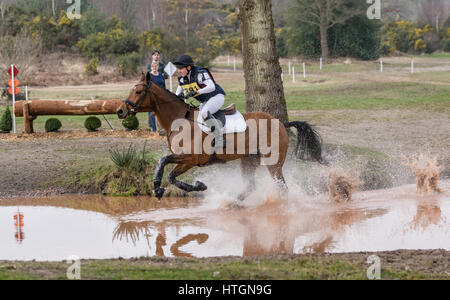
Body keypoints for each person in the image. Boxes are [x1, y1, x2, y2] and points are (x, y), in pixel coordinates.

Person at [173, 54, 226, 150]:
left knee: (205, 112)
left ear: (188, 67)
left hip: (216, 96)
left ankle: (220, 139)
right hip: (205, 101)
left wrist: (196, 92)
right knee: (196, 116)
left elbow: (212, 87)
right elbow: (177, 95)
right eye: (178, 68)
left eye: (181, 68)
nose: (179, 71)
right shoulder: (182, 79)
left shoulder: (200, 73)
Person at [147, 61, 166, 132]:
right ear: (151, 67)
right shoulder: (149, 75)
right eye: (153, 67)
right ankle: (154, 130)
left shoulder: (161, 75)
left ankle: (161, 129)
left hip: (161, 97)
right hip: (152, 96)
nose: (155, 68)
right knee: (152, 114)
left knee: (161, 113)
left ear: (158, 67)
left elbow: (164, 86)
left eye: (156, 66)